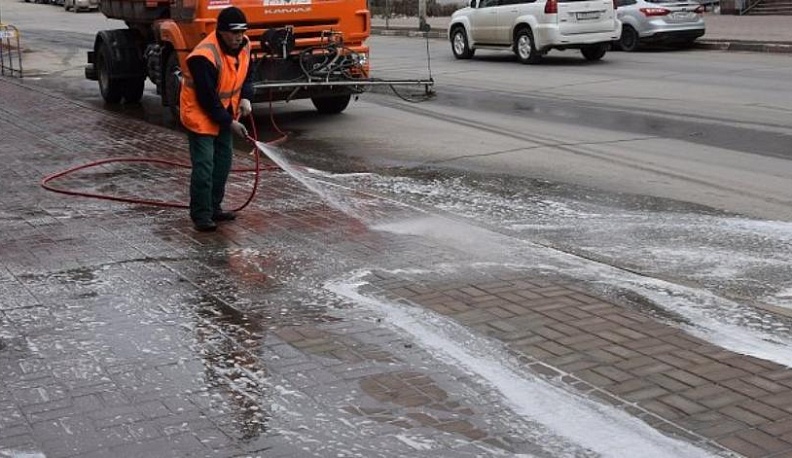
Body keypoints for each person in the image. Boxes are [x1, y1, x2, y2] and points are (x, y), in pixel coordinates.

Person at [180, 6, 255, 232]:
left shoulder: (245, 45)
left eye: (242, 31)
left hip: (225, 111)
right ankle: (201, 215)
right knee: (204, 166)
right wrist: (230, 123)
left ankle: (214, 208)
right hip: (200, 114)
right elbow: (207, 98)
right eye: (234, 33)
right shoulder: (203, 57)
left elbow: (248, 74)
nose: (239, 37)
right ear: (221, 32)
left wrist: (246, 97)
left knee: (222, 164)